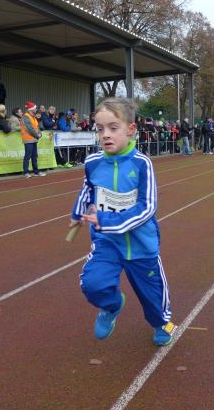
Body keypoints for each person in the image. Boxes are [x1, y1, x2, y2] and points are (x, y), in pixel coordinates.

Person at [70, 97, 174, 347]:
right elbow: (88, 190)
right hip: (107, 242)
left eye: (113, 128)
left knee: (153, 296)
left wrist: (107, 220)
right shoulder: (93, 163)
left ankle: (162, 323)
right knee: (93, 284)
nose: (105, 134)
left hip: (141, 245)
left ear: (131, 129)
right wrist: (77, 214)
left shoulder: (142, 164)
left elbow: (147, 207)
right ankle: (111, 306)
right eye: (100, 129)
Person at [21, 102, 46, 178]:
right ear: (31, 109)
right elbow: (30, 129)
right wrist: (37, 135)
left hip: (33, 139)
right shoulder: (26, 117)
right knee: (27, 156)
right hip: (28, 139)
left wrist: (40, 133)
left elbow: (37, 127)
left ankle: (36, 171)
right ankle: (26, 172)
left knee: (34, 156)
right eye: (35, 108)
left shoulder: (33, 117)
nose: (36, 109)